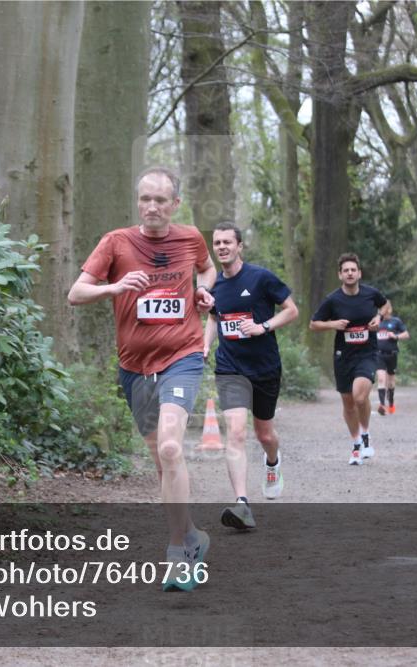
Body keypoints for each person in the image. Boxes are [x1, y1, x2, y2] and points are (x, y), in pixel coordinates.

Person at [67, 166, 216, 591]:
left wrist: (205, 292)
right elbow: (76, 293)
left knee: (171, 446)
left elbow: (206, 271)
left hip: (183, 356)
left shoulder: (191, 237)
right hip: (135, 367)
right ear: (138, 201)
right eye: (145, 199)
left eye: (160, 200)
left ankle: (178, 552)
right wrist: (113, 289)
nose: (151, 207)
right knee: (162, 459)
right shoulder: (116, 242)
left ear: (175, 205)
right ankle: (192, 534)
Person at [202, 222, 298, 530]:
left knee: (264, 435)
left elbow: (291, 310)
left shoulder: (260, 278)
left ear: (240, 246)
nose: (222, 247)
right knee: (237, 432)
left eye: (227, 242)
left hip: (264, 367)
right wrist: (205, 344)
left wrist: (263, 326)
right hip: (230, 367)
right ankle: (242, 503)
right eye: (217, 243)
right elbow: (215, 318)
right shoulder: (214, 284)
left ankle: (273, 462)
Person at [309, 253, 391, 466]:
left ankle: (365, 434)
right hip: (343, 356)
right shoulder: (333, 300)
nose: (350, 273)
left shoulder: (371, 294)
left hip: (367, 353)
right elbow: (314, 324)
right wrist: (332, 324)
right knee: (348, 402)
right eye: (345, 270)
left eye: (353, 270)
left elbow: (386, 306)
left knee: (360, 397)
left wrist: (378, 318)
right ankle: (356, 444)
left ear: (359, 273)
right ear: (340, 275)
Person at [376, 311, 409, 415]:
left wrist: (396, 336)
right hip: (378, 354)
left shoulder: (396, 321)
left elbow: (406, 334)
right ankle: (382, 405)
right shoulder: (376, 322)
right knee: (381, 379)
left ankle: (391, 403)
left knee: (390, 382)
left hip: (392, 354)